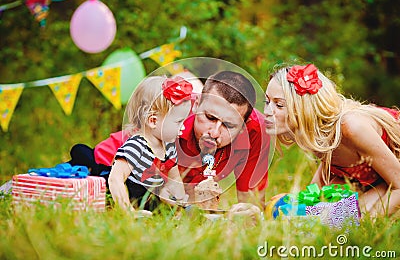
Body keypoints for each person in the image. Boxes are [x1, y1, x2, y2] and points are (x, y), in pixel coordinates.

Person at [264, 63, 400, 217]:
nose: (268, 111)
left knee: (351, 216)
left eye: (279, 105)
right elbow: (316, 193)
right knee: (325, 212)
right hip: (377, 177)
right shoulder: (313, 135)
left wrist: (367, 222)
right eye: (267, 101)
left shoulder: (351, 128)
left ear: (304, 109)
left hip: (395, 174)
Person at [176, 70, 270, 208]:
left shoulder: (256, 130)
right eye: (210, 117)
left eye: (229, 125)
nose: (214, 133)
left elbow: (251, 201)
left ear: (244, 126)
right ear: (196, 105)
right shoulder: (173, 110)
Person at [108, 76, 193, 211]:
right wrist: (128, 212)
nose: (183, 127)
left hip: (150, 200)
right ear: (153, 121)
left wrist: (179, 200)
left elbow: (174, 178)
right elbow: (115, 179)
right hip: (131, 199)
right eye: (179, 122)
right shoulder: (136, 146)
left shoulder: (169, 147)